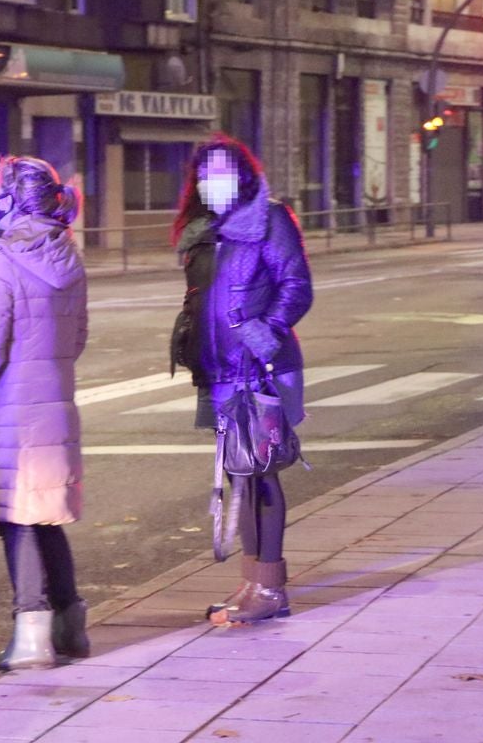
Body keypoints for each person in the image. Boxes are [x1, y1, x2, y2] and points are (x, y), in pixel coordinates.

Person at [169, 134, 313, 624]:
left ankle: (271, 588)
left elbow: (296, 286)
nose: (214, 182)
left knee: (260, 475)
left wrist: (262, 332)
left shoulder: (268, 219)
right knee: (239, 476)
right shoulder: (207, 231)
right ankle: (253, 581)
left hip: (259, 370)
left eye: (224, 171)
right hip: (219, 375)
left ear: (246, 175)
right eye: (205, 174)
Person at [0, 155, 89, 671]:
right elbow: (76, 338)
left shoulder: (1, 260)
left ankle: (30, 634)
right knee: (47, 516)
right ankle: (69, 624)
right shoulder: (68, 256)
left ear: (12, 198)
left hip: (7, 409)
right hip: (52, 403)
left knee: (15, 519)